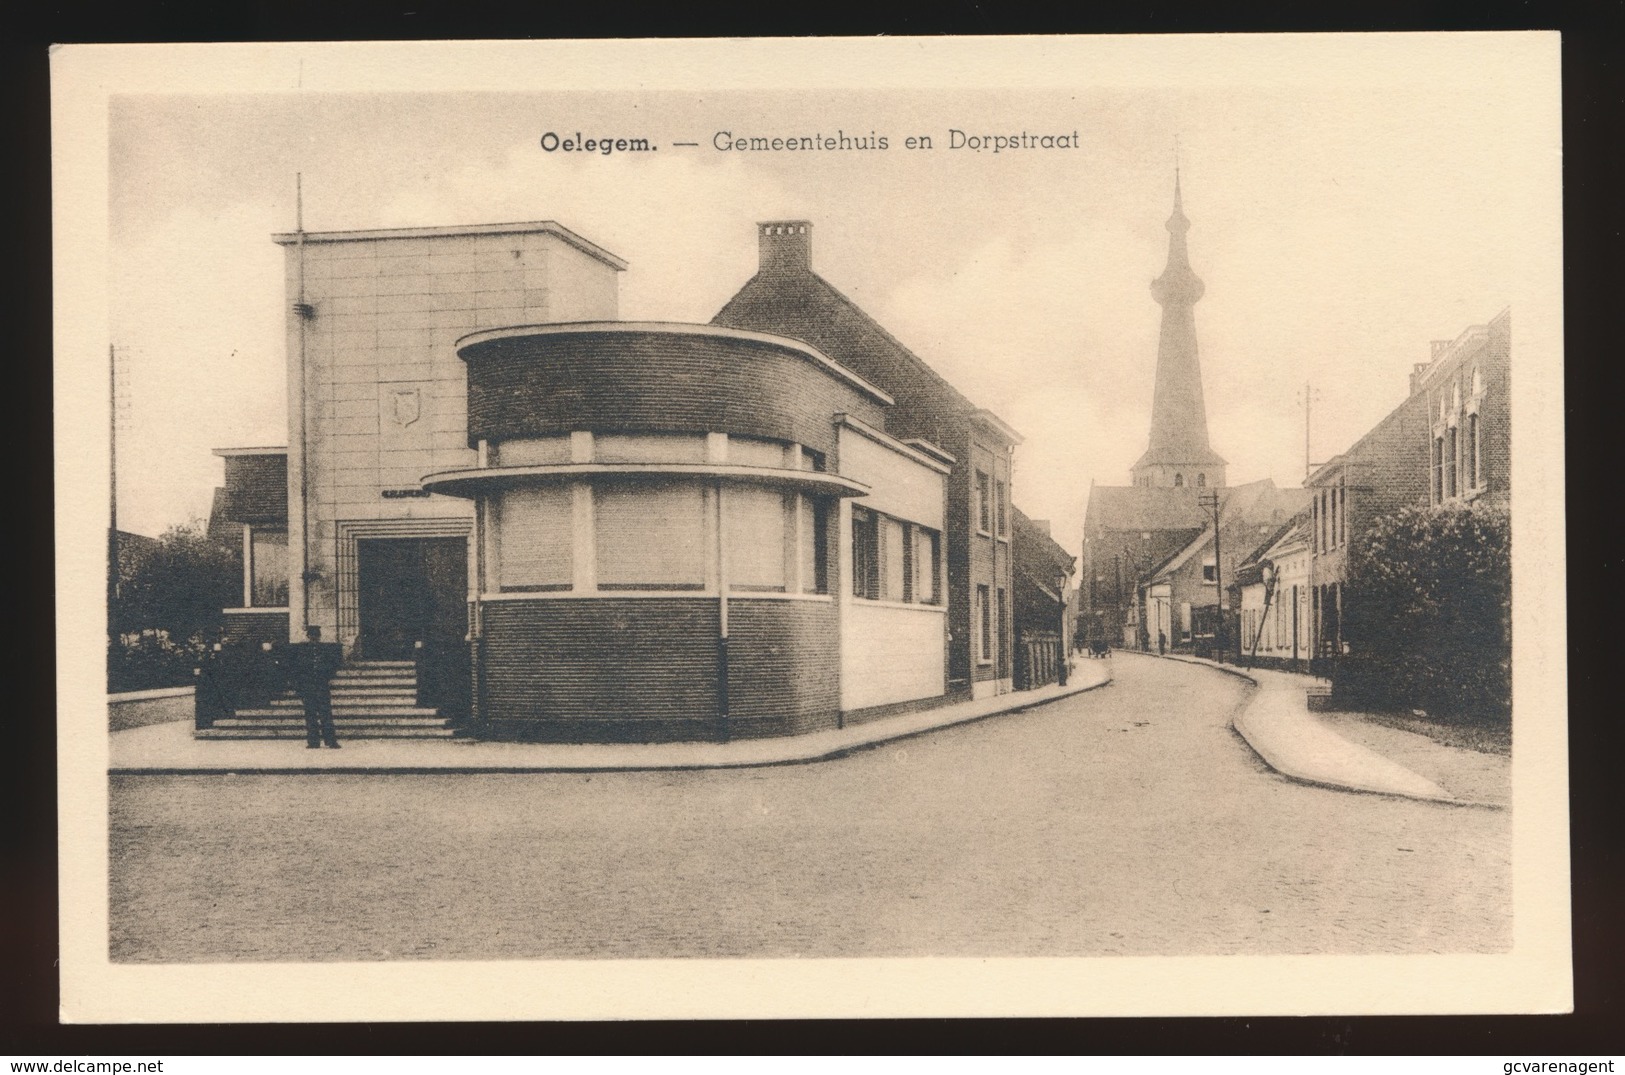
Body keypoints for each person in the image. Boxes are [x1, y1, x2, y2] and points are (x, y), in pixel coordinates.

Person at [291, 625, 344, 749]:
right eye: (312, 636)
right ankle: (313, 742)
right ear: (308, 636)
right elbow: (298, 669)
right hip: (308, 687)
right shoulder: (303, 651)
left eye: (316, 636)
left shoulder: (325, 650)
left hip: (322, 686)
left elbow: (332, 666)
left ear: (319, 637)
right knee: (310, 715)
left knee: (326, 714)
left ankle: (331, 741)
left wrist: (327, 676)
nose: (314, 638)